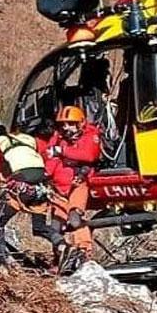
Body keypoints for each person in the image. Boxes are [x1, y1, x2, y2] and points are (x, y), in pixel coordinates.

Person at [0, 121, 64, 270]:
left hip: (20, 185)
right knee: (39, 227)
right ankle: (62, 244)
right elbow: (48, 158)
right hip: (41, 186)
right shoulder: (29, 139)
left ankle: (1, 264)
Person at [42, 104, 102, 271]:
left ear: (79, 123)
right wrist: (44, 175)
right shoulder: (59, 138)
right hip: (59, 188)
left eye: (70, 124)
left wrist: (62, 151)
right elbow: (51, 160)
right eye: (63, 124)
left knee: (75, 218)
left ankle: (84, 253)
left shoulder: (90, 135)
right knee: (55, 226)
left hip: (78, 184)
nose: (66, 128)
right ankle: (60, 258)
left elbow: (89, 156)